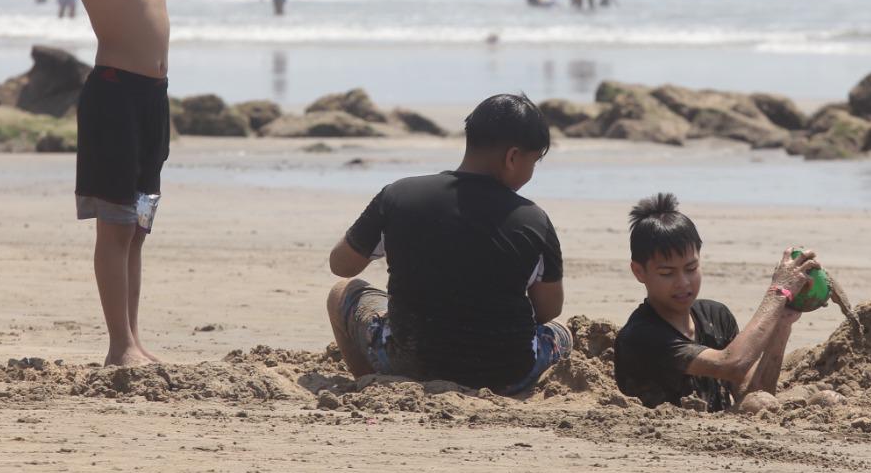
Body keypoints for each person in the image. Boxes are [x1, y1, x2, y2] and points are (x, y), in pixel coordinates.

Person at [63, 0, 215, 365]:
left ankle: (134, 337)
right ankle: (118, 344)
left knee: (140, 228)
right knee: (116, 225)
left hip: (153, 98)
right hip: (113, 96)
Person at [325, 93, 572, 394]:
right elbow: (548, 310)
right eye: (533, 163)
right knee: (562, 332)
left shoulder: (399, 196)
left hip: (409, 363)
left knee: (342, 293)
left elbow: (341, 265)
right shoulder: (534, 220)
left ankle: (374, 382)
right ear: (513, 157)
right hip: (507, 374)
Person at [613, 193, 821, 411]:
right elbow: (731, 364)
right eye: (667, 273)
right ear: (639, 271)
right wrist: (778, 293)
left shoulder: (716, 315)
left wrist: (782, 323)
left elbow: (755, 391)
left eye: (691, 268)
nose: (683, 282)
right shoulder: (641, 335)